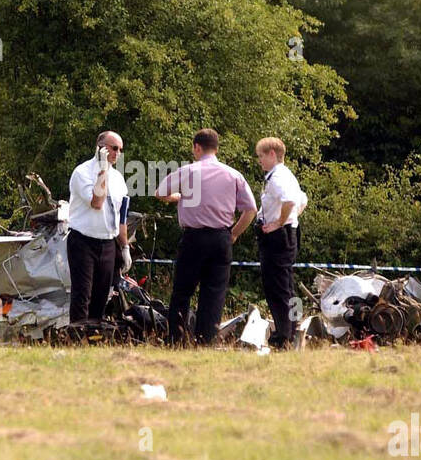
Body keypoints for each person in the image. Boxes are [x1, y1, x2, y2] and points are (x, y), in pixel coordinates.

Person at [154, 128, 257, 345]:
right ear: (217, 148)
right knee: (214, 293)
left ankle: (177, 340)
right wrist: (234, 233)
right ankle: (205, 341)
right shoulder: (233, 174)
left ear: (197, 147)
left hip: (194, 238)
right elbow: (250, 210)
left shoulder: (188, 171)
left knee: (182, 291)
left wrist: (179, 197)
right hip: (221, 238)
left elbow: (160, 192)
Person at [67, 132, 131, 324]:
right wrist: (102, 170)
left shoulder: (118, 178)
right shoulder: (83, 172)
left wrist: (125, 246)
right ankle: (77, 338)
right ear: (101, 148)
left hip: (107, 241)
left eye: (120, 149)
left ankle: (94, 337)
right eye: (113, 148)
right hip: (83, 240)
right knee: (82, 294)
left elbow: (121, 217)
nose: (117, 153)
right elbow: (97, 202)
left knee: (102, 296)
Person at [255, 137, 307, 349]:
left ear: (272, 154)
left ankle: (283, 334)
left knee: (277, 287)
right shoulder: (286, 176)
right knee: (286, 284)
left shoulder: (278, 177)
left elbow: (290, 201)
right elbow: (302, 199)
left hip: (278, 237)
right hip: (287, 233)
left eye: (261, 156)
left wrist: (279, 222)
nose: (260, 161)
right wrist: (291, 219)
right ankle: (291, 328)